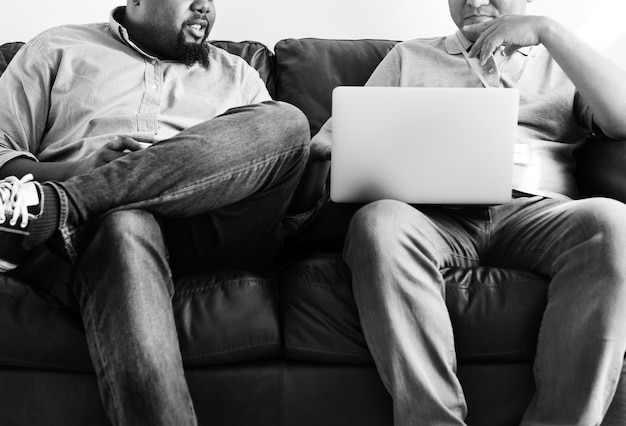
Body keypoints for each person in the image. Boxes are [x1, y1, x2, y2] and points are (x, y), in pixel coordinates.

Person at [303, 0, 626, 425]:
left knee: (614, 222)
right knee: (379, 223)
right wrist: (362, 148)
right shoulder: (409, 57)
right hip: (432, 217)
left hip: (535, 212)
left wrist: (547, 30)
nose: (473, 1)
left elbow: (621, 119)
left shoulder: (560, 59)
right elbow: (329, 141)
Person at [0, 0, 313, 425]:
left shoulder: (238, 74)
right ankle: (85, 202)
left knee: (288, 123)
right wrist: (80, 169)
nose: (204, 5)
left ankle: (63, 205)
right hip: (98, 237)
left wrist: (81, 188)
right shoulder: (56, 48)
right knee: (123, 223)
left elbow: (275, 160)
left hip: (214, 228)